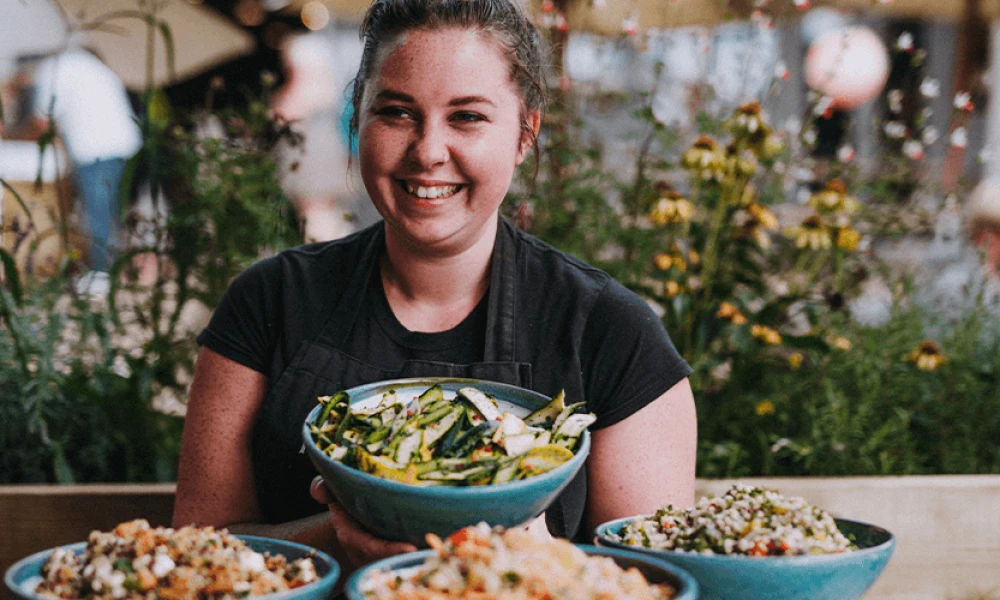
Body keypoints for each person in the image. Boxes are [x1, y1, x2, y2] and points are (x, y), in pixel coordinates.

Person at [173, 0, 697, 580]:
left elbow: (654, 580)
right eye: (397, 112)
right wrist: (338, 538)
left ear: (525, 135)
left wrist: (534, 555)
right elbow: (196, 552)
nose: (427, 151)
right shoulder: (269, 301)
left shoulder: (612, 332)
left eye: (467, 117)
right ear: (358, 119)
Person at [14, 48, 143, 295]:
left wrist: (16, 133)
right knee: (107, 210)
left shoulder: (51, 71)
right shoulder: (79, 62)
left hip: (97, 147)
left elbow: (42, 121)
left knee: (97, 211)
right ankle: (112, 270)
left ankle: (102, 274)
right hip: (120, 142)